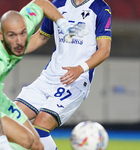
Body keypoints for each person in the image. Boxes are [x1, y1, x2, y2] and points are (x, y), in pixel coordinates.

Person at [0, 0, 84, 150]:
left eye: (23, 34)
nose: (19, 42)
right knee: (24, 141)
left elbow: (41, 3)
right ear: (1, 35)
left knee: (37, 144)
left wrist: (63, 24)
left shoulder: (21, 24)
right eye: (12, 36)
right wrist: (2, 142)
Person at [14, 0, 112, 149]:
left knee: (39, 129)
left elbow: (104, 50)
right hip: (48, 78)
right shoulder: (57, 4)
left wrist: (80, 68)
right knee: (10, 121)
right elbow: (41, 36)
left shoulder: (100, 8)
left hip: (75, 81)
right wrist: (13, 50)